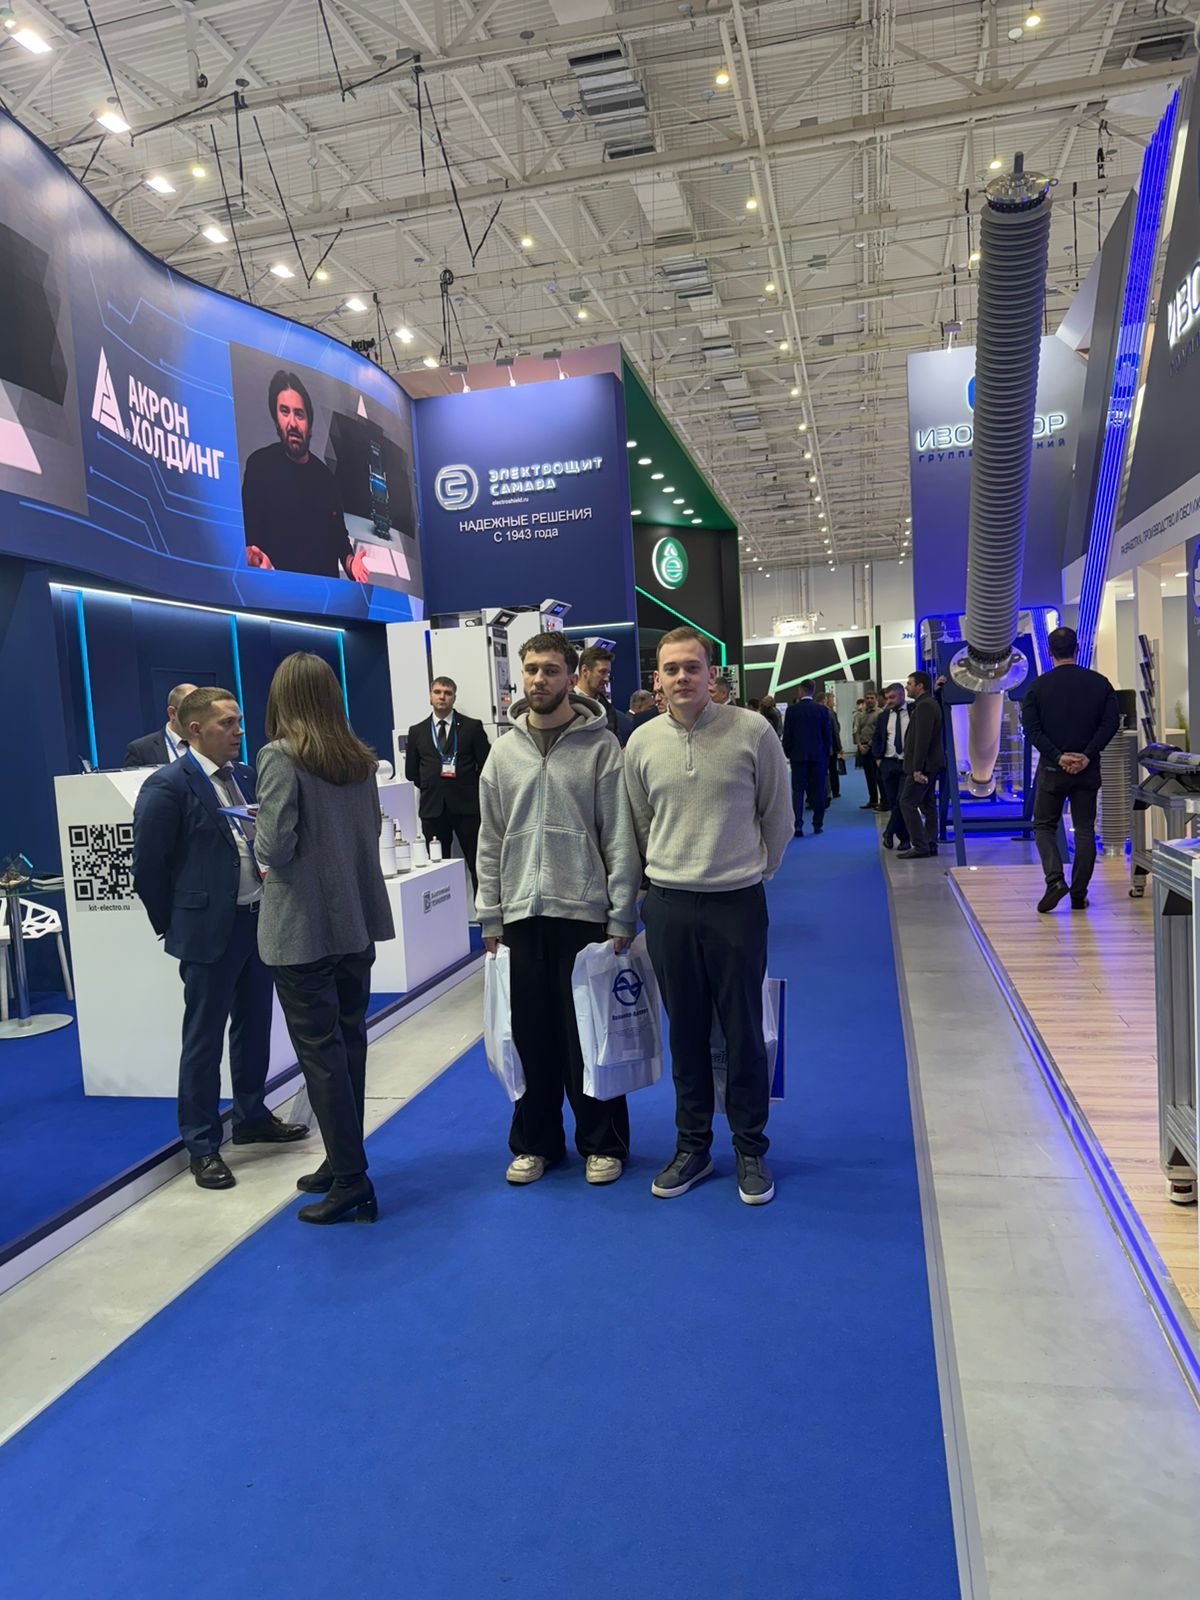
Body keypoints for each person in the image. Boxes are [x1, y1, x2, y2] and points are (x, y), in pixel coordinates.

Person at [625, 627, 793, 1206]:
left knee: (743, 1029)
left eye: (692, 667)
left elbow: (778, 815)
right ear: (658, 678)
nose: (682, 678)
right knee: (686, 1032)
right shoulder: (641, 742)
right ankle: (692, 1146)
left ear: (711, 674)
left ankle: (750, 1148)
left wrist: (754, 872)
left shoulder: (752, 731)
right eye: (671, 669)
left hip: (736, 904)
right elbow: (640, 822)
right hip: (669, 906)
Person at [476, 632, 641, 1187]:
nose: (539, 679)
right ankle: (535, 1143)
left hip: (584, 915)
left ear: (572, 676)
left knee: (589, 1037)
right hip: (521, 918)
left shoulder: (602, 748)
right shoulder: (503, 753)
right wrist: (490, 914)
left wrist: (621, 913)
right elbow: (489, 840)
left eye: (550, 669)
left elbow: (619, 836)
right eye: (531, 669)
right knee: (529, 1038)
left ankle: (602, 1142)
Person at [132, 687, 309, 1189]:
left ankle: (251, 1117)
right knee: (204, 1039)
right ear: (195, 730)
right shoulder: (168, 785)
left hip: (258, 921)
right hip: (207, 931)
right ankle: (203, 1143)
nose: (238, 731)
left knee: (255, 1027)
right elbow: (148, 867)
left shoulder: (246, 776)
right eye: (227, 723)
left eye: (238, 721)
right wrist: (176, 922)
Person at [253, 652, 395, 1225]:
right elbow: (372, 828)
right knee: (347, 1045)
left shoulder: (279, 756)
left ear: (282, 698)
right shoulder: (359, 760)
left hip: (301, 927)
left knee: (321, 1055)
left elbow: (274, 846)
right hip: (353, 923)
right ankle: (342, 1162)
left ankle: (352, 1178)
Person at [1021, 625, 1120, 913]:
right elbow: (1110, 724)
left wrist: (1057, 756)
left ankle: (1055, 881)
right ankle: (1078, 894)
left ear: (1049, 652)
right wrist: (1087, 755)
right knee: (1085, 829)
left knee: (1043, 825)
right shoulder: (1100, 684)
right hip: (1088, 771)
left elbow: (1032, 730)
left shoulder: (1037, 687)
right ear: (1077, 649)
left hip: (1052, 771)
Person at [241, 369, 369, 582]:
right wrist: (254, 560)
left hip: (325, 597)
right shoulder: (259, 466)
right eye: (284, 412)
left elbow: (340, 542)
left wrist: (351, 564)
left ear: (309, 424)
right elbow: (249, 539)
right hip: (277, 592)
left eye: (299, 414)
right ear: (276, 420)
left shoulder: (325, 478)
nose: (292, 423)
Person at [404, 675, 491, 892]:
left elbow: (486, 765)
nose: (442, 697)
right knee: (436, 869)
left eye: (447, 693)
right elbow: (412, 772)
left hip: (467, 808)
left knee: (478, 867)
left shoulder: (471, 727)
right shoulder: (417, 731)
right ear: (430, 697)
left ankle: (485, 912)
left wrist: (468, 787)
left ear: (454, 698)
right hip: (433, 809)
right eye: (437, 692)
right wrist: (434, 785)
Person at [897, 671, 945, 859]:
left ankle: (920, 845)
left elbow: (922, 740)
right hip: (930, 764)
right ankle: (930, 843)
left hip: (924, 766)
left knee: (907, 802)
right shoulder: (927, 704)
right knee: (927, 803)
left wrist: (917, 769)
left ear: (920, 686)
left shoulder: (925, 706)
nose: (906, 687)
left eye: (909, 683)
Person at [782, 681, 833, 837]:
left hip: (798, 757)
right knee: (818, 790)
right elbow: (827, 736)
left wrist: (788, 753)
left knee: (798, 791)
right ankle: (818, 824)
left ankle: (798, 825)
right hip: (818, 757)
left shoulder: (792, 711)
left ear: (800, 690)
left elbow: (787, 735)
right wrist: (826, 754)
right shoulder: (822, 711)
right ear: (813, 690)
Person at [872, 684, 911, 849]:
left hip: (907, 763)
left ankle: (889, 832)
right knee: (894, 802)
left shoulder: (914, 711)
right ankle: (904, 840)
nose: (889, 701)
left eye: (892, 697)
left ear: (902, 695)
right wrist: (878, 758)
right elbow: (878, 736)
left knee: (902, 802)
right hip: (888, 763)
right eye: (887, 698)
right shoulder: (884, 716)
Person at [124, 682, 197, 768]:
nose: (200, 718)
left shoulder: (209, 743)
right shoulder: (141, 749)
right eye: (193, 711)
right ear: (172, 713)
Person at [577, 645, 633, 746]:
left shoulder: (608, 709)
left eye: (608, 673)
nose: (606, 679)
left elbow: (616, 744)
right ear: (585, 671)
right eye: (602, 672)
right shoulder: (566, 704)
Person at [853, 693, 882, 810]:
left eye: (872, 698)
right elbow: (857, 731)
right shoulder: (861, 714)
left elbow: (878, 732)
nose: (869, 700)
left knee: (878, 776)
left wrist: (869, 745)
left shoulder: (880, 713)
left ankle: (884, 801)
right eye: (867, 698)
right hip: (862, 747)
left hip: (874, 747)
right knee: (869, 776)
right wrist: (859, 745)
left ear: (876, 699)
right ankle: (873, 800)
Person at [825, 694, 845, 799]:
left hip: (826, 746)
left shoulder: (829, 712)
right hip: (832, 746)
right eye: (832, 700)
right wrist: (839, 747)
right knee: (833, 770)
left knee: (827, 770)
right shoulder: (831, 713)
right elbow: (835, 731)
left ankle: (828, 791)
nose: (833, 702)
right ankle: (835, 791)